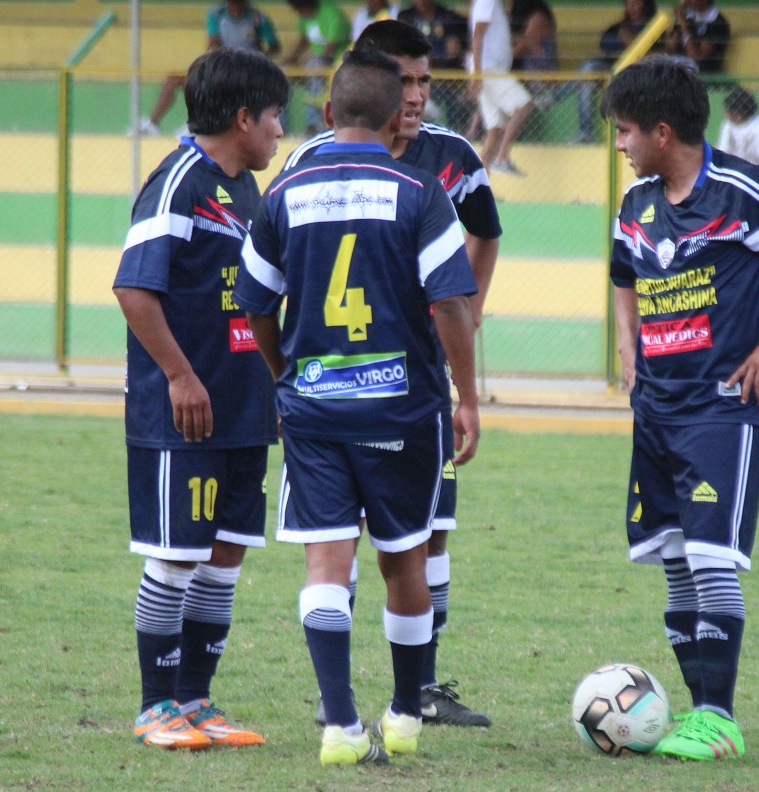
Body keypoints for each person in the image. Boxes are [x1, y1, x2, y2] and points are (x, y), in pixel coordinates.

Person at [233, 47, 481, 766]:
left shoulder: (285, 191)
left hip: (314, 408)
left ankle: (340, 725)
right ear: (397, 115)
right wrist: (467, 397)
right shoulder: (420, 191)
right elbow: (450, 305)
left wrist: (285, 376)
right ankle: (403, 715)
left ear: (328, 112)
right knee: (404, 562)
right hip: (402, 410)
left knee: (326, 564)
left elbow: (255, 305)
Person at [600, 55, 759, 761]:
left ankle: (719, 716)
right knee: (676, 560)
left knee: (712, 558)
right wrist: (627, 341)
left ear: (661, 131)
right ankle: (696, 713)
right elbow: (622, 272)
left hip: (724, 405)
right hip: (657, 406)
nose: (618, 145)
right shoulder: (637, 203)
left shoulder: (744, 191)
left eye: (624, 131)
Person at [282, 19, 501, 730]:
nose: (415, 95)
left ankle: (421, 689)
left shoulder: (453, 156)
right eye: (403, 81)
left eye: (425, 80)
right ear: (371, 84)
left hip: (413, 380)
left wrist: (467, 314)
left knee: (428, 534)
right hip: (358, 381)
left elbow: (486, 232)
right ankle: (341, 695)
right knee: (341, 541)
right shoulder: (311, 160)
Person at [113, 47, 290, 750]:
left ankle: (195, 700)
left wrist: (276, 384)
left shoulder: (246, 190)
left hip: (243, 407)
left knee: (225, 556)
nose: (280, 130)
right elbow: (134, 287)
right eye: (275, 115)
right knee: (176, 555)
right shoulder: (177, 182)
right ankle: (155, 706)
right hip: (182, 413)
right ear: (243, 117)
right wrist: (181, 376)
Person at [138, 0, 280, 136]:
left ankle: (197, 125)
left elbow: (274, 46)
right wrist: (218, 61)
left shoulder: (257, 18)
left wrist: (256, 58)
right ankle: (153, 124)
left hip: (246, 72)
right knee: (177, 79)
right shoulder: (217, 15)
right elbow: (213, 43)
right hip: (222, 66)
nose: (234, 7)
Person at [576, 0, 657, 143]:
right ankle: (586, 134)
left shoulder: (654, 26)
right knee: (587, 72)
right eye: (628, 3)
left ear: (645, 4)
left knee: (587, 74)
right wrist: (622, 39)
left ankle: (553, 97)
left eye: (636, 3)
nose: (632, 7)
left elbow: (659, 54)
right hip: (611, 70)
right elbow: (604, 43)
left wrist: (630, 41)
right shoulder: (620, 26)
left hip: (638, 73)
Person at [470, 0, 534, 174]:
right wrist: (477, 73)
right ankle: (502, 157)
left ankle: (479, 184)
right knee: (524, 104)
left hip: (488, 71)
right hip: (490, 71)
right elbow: (478, 35)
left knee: (494, 129)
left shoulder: (494, 5)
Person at [398, 0, 472, 130]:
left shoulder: (447, 16)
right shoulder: (406, 16)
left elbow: (453, 49)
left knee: (453, 99)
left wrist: (434, 59)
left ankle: (452, 129)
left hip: (446, 76)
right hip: (416, 74)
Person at [284, 0, 352, 136]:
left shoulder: (331, 14)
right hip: (314, 64)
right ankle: (281, 126)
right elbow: (304, 39)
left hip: (337, 64)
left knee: (315, 66)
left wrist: (305, 65)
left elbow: (330, 51)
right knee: (282, 71)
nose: (299, 12)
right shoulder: (304, 17)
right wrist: (292, 59)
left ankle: (313, 125)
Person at [509, 0, 559, 111]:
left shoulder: (538, 17)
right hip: (524, 77)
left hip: (541, 81)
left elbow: (524, 46)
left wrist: (499, 60)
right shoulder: (518, 21)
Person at [717, 86, 759, 170]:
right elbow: (723, 153)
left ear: (737, 112)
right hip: (736, 173)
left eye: (727, 110)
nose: (725, 113)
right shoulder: (728, 125)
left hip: (758, 174)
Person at [663, 0, 730, 74]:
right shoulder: (688, 17)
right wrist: (678, 18)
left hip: (702, 73)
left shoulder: (718, 23)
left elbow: (695, 56)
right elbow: (670, 48)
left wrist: (684, 25)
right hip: (679, 65)